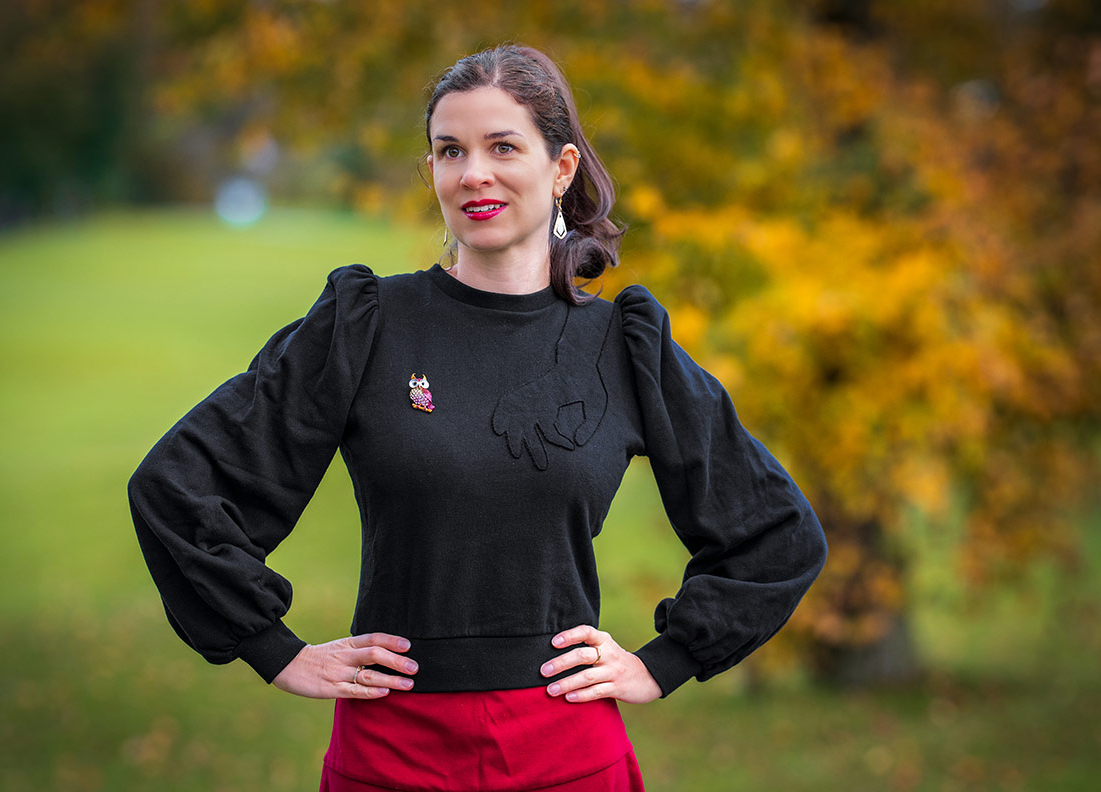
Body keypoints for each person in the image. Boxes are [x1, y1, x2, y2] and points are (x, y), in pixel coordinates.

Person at [128, 44, 826, 791]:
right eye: (449, 151)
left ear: (560, 169)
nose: (473, 174)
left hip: (568, 752)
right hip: (391, 750)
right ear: (430, 172)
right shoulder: (365, 326)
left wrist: (665, 663)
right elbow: (178, 485)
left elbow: (774, 533)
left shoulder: (624, 345)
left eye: (502, 147)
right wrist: (273, 648)